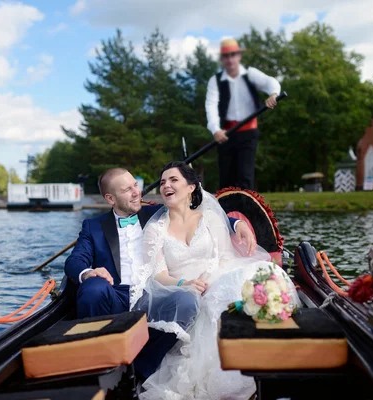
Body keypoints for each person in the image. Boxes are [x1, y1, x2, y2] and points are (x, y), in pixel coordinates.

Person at [64, 168, 256, 381]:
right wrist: (89, 272)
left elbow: (195, 213)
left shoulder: (155, 214)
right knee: (93, 288)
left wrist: (236, 223)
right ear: (110, 198)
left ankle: (141, 369)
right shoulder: (93, 226)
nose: (137, 192)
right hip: (114, 294)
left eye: (135, 185)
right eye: (128, 190)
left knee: (186, 300)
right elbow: (74, 261)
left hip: (155, 293)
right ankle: (97, 366)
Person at [130, 162, 300, 399]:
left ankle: (273, 356)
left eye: (173, 180)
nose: (166, 185)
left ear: (191, 187)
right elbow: (158, 274)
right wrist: (185, 285)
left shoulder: (209, 217)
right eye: (162, 182)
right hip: (183, 290)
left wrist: (211, 278)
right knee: (208, 302)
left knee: (252, 276)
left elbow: (225, 256)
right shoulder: (155, 229)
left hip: (217, 276)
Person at [205, 38, 281, 190]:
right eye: (226, 56)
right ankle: (225, 212)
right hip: (225, 135)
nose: (230, 59)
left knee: (244, 176)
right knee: (226, 179)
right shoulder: (215, 81)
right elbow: (211, 106)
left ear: (239, 56)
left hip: (248, 133)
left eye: (233, 55)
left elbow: (271, 82)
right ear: (222, 59)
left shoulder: (251, 74)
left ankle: (245, 213)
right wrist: (216, 129)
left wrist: (273, 94)